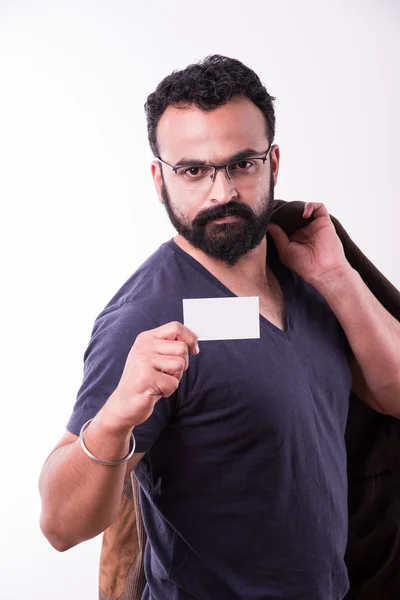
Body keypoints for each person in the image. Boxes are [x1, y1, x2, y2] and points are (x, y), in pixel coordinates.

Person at [38, 55, 400, 600]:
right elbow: (60, 527)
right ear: (159, 177)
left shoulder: (306, 269)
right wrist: (115, 418)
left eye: (242, 164)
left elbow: (392, 395)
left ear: (273, 161)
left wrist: (338, 280)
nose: (221, 191)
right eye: (193, 170)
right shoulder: (143, 316)